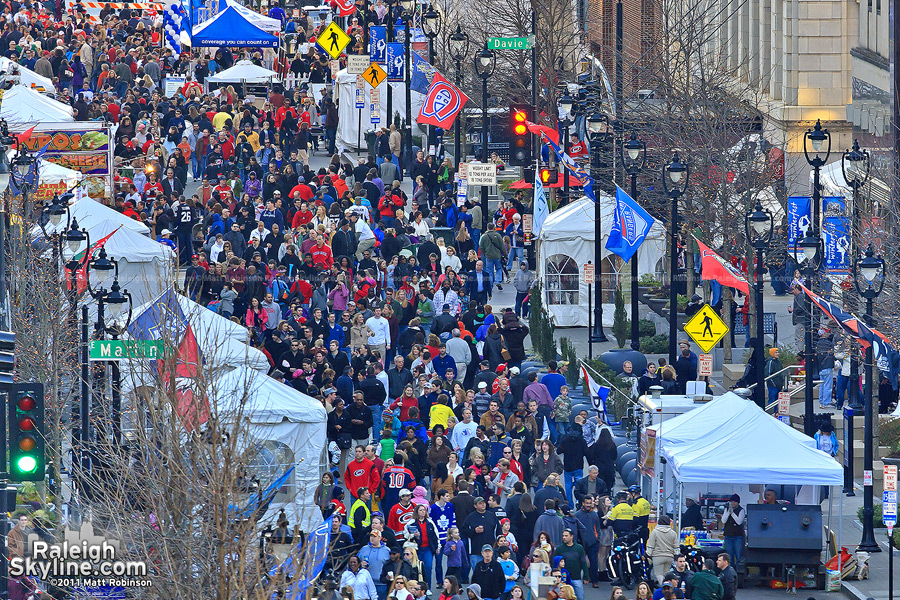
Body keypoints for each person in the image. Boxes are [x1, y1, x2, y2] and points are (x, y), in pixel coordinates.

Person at [553, 529, 587, 600]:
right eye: (563, 536)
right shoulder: (559, 548)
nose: (564, 537)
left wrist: (586, 576)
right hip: (563, 579)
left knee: (580, 597)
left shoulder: (579, 548)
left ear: (572, 536)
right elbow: (555, 563)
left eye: (566, 536)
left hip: (576, 577)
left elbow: (584, 562)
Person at [646, 515, 677, 585]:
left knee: (659, 575)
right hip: (669, 556)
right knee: (666, 574)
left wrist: (648, 554)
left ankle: (665, 587)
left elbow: (651, 545)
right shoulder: (673, 533)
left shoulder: (655, 532)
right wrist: (676, 555)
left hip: (658, 556)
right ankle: (669, 588)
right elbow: (676, 547)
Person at [721, 494, 745, 568]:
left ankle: (739, 573)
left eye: (734, 502)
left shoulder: (741, 510)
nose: (732, 503)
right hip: (728, 536)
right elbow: (723, 520)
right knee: (729, 557)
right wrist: (728, 512)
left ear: (738, 502)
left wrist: (732, 513)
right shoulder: (727, 509)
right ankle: (731, 572)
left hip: (738, 537)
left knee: (739, 557)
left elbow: (739, 521)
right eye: (731, 501)